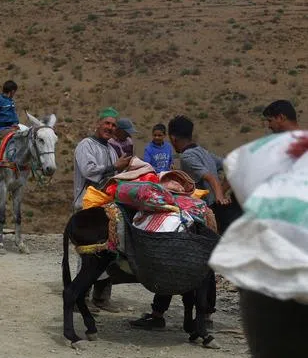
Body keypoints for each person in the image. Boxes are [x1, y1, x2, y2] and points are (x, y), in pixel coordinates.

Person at [129, 115, 234, 344]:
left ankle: (185, 317)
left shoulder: (187, 156)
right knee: (201, 264)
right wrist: (223, 191)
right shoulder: (205, 152)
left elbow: (207, 177)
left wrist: (218, 194)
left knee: (174, 259)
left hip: (197, 216)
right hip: (209, 215)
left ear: (173, 138)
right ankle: (197, 316)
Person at [73, 109, 131, 312]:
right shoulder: (85, 145)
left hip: (106, 208)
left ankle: (101, 298)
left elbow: (114, 176)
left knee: (109, 252)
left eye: (114, 125)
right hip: (86, 207)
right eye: (107, 123)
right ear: (97, 123)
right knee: (88, 254)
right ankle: (81, 297)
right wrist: (115, 166)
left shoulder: (112, 149)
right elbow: (89, 171)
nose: (110, 128)